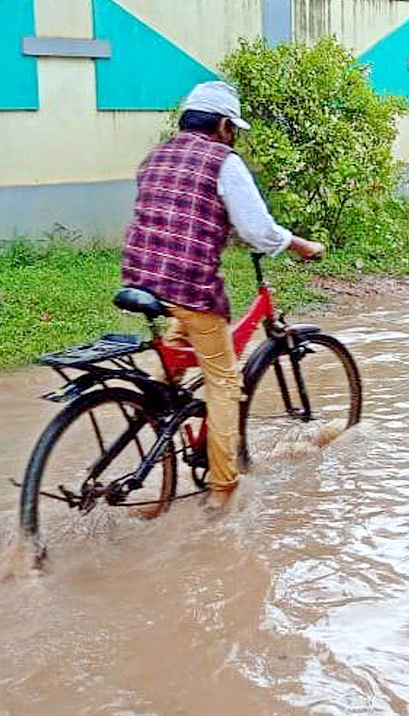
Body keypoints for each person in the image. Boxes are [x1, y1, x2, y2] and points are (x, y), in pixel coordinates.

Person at [121, 81, 323, 505]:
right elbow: (258, 230)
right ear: (224, 125)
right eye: (234, 129)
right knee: (225, 383)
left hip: (144, 280)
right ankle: (222, 489)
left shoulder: (155, 155)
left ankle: (156, 421)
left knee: (174, 363)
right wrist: (300, 244)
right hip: (189, 288)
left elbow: (174, 213)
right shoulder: (222, 161)